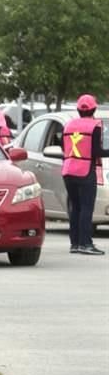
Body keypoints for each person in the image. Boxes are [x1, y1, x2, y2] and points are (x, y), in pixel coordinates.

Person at [62, 94, 107, 255]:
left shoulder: (68, 125)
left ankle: (75, 244)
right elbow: (96, 152)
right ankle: (86, 243)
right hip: (86, 170)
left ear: (78, 109)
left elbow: (63, 149)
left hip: (68, 170)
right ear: (94, 108)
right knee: (87, 208)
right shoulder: (95, 126)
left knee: (76, 208)